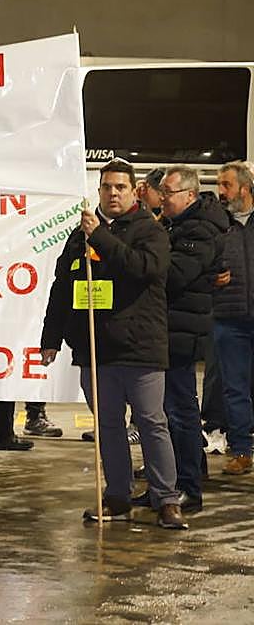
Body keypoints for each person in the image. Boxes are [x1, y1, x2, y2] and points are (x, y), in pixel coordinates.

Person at [38, 159, 186, 529]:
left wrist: (100, 237)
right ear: (99, 190)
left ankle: (165, 498)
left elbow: (143, 269)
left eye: (120, 187)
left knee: (153, 423)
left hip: (140, 348)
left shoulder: (149, 231)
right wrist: (51, 338)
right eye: (107, 187)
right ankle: (117, 496)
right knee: (108, 427)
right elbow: (63, 288)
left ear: (133, 190)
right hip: (96, 349)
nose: (113, 193)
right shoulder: (79, 236)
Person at [136, 164, 225, 512]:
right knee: (158, 413)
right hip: (164, 329)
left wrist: (143, 262)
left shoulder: (199, 229)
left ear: (189, 195)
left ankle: (187, 485)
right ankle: (164, 485)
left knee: (179, 412)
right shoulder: (175, 225)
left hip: (179, 333)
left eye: (169, 193)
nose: (163, 198)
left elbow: (173, 275)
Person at [212, 160, 254, 476]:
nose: (220, 191)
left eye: (226, 184)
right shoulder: (215, 223)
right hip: (228, 317)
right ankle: (241, 450)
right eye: (219, 185)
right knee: (235, 388)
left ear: (244, 187)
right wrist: (211, 278)